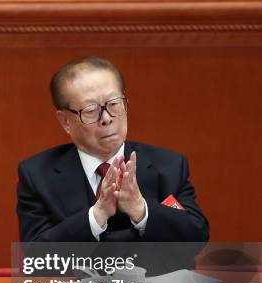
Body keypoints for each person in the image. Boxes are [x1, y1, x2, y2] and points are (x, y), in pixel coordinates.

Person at [17, 56, 209, 244]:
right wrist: (96, 215)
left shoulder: (169, 166)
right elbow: (35, 258)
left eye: (114, 104)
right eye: (91, 110)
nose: (107, 118)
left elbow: (197, 237)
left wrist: (141, 209)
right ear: (65, 121)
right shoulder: (37, 175)